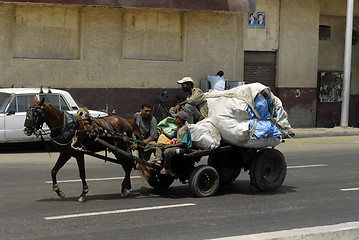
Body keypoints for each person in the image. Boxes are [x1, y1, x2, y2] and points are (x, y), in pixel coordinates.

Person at [154, 111, 192, 175]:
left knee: (167, 151)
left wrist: (169, 146)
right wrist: (163, 133)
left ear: (180, 120)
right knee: (159, 145)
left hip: (183, 149)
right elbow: (171, 137)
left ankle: (167, 169)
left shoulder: (184, 129)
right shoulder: (178, 128)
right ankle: (158, 159)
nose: (175, 120)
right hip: (178, 146)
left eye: (176, 118)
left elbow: (183, 143)